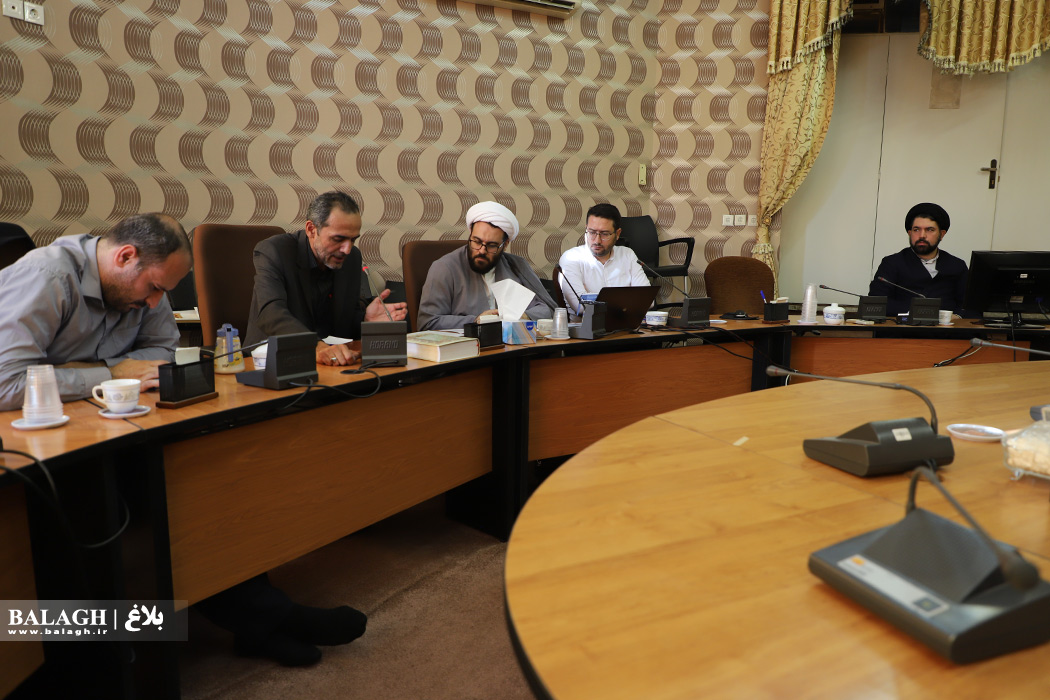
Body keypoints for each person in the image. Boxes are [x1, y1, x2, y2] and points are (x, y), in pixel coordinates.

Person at [0, 213, 191, 410]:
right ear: (125, 257)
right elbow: (5, 385)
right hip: (33, 417)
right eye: (155, 287)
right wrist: (112, 374)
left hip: (99, 409)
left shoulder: (148, 285)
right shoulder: (47, 277)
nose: (154, 302)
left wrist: (98, 369)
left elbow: (165, 351)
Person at [245, 191, 407, 366]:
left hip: (331, 363)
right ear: (311, 230)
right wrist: (315, 346)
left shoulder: (352, 258)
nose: (347, 249)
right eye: (338, 239)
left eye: (353, 240)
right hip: (271, 362)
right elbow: (270, 313)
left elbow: (343, 323)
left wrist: (364, 320)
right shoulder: (274, 251)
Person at [417, 201, 556, 330]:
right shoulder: (445, 268)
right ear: (470, 235)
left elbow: (547, 309)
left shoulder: (516, 266)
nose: (482, 251)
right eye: (477, 241)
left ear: (505, 245)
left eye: (491, 245)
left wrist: (524, 316)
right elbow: (427, 323)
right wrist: (475, 321)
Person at [869, 202, 968, 316]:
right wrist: (919, 312)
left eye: (929, 230)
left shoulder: (957, 266)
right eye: (916, 230)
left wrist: (957, 316)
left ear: (942, 234)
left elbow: (969, 307)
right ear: (909, 233)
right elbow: (876, 304)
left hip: (946, 326)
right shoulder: (892, 263)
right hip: (904, 326)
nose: (922, 235)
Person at [557, 203, 649, 317]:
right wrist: (627, 299)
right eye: (592, 232)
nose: (597, 240)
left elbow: (647, 300)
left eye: (604, 234)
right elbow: (580, 307)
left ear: (617, 234)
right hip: (586, 327)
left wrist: (593, 299)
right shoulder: (571, 258)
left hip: (627, 325)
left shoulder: (627, 254)